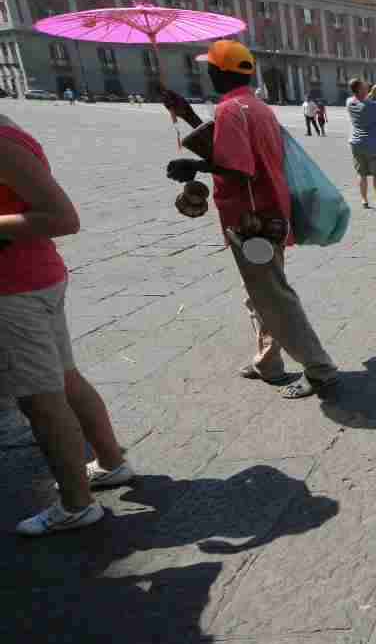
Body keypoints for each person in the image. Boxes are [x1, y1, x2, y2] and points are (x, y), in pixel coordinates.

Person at [161, 39, 339, 400]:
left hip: (252, 222)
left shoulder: (231, 110)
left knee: (272, 296)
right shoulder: (254, 106)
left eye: (210, 67)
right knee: (260, 293)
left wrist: (192, 165)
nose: (207, 71)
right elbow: (228, 146)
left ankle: (320, 369)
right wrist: (187, 114)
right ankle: (268, 363)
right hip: (269, 213)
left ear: (219, 71)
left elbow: (237, 167)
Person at [1, 113, 134, 536]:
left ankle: (77, 505)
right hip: (33, 278)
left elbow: (63, 218)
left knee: (39, 400)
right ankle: (111, 463)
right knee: (63, 377)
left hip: (16, 287)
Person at [346, 79, 376, 209]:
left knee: (361, 173)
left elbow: (362, 101)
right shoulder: (374, 105)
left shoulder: (350, 102)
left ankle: (364, 201)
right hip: (373, 144)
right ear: (360, 89)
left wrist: (371, 95)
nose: (367, 86)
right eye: (364, 86)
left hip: (356, 143)